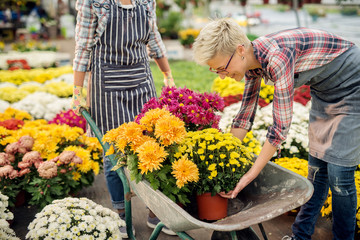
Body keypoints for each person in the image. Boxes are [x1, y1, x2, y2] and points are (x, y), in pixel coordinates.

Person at [193, 18, 359, 240]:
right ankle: (300, 236)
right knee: (317, 170)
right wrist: (225, 160)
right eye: (216, 71)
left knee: (339, 176)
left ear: (240, 50)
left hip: (354, 86)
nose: (222, 75)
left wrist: (249, 175)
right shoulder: (252, 62)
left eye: (222, 68)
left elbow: (280, 127)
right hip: (325, 93)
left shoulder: (277, 57)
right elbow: (245, 115)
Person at [71, 0, 176, 238]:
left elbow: (154, 38)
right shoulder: (93, 3)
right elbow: (83, 47)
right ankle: (120, 214)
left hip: (141, 78)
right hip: (107, 83)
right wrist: (77, 92)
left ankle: (154, 211)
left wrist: (167, 74)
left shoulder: (146, 1)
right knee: (114, 153)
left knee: (152, 145)